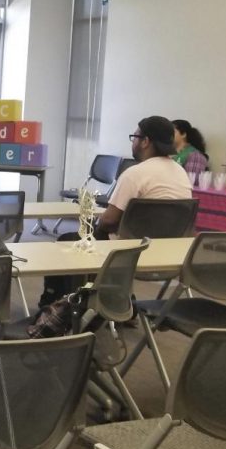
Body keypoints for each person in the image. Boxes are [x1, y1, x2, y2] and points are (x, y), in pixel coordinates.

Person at [39, 115, 192, 307]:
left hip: (128, 253)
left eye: (134, 137)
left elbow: (109, 221)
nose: (133, 142)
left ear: (145, 142)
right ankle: (114, 299)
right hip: (167, 252)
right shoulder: (180, 173)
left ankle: (59, 306)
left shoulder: (135, 174)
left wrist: (96, 225)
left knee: (68, 242)